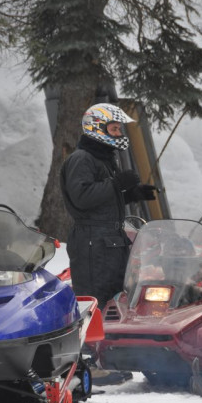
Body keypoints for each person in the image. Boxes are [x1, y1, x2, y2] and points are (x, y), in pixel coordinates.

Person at [60, 103, 155, 386]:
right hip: (92, 242)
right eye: (114, 128)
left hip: (110, 240)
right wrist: (117, 185)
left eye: (119, 128)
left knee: (114, 300)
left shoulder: (102, 158)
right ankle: (88, 363)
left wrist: (131, 194)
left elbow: (101, 200)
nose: (118, 133)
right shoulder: (82, 158)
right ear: (97, 128)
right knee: (93, 301)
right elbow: (82, 198)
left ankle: (107, 358)